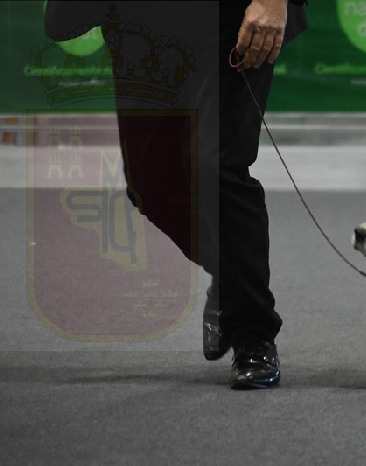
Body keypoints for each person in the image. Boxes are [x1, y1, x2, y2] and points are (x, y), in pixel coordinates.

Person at [45, 0, 308, 389]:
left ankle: (253, 334)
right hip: (139, 23)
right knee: (150, 182)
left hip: (230, 20)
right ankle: (231, 274)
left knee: (216, 165)